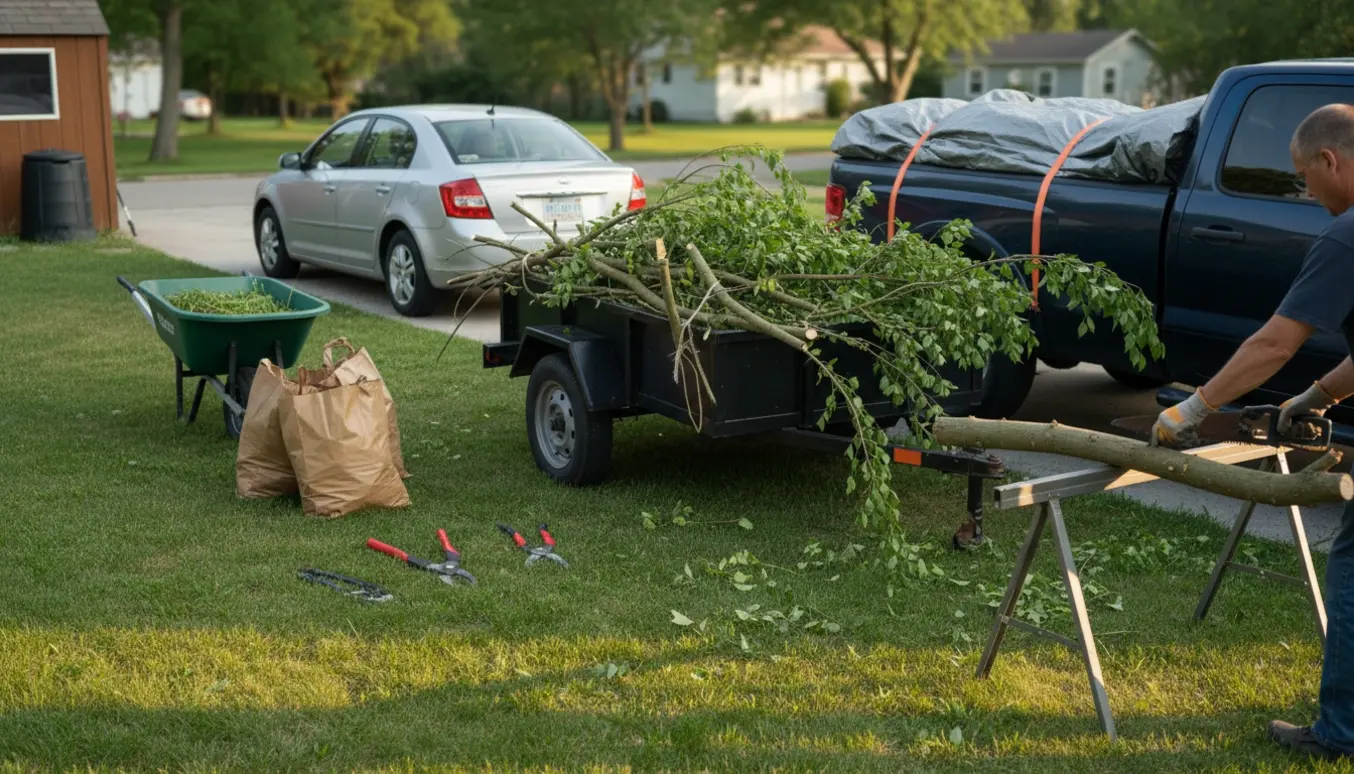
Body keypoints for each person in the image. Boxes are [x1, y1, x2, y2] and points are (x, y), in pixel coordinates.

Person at [1151, 103, 1354, 760]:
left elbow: (1273, 343)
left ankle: (1342, 733)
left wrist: (1193, 408)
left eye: (1303, 176)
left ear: (1331, 161)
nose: (1304, 191)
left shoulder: (1347, 235)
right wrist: (1318, 394)